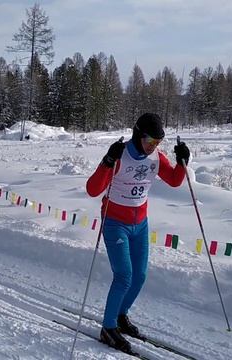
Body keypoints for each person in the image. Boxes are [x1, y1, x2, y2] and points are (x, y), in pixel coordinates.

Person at [86, 113, 190, 354]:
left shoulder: (155, 157)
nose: (152, 147)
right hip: (115, 221)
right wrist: (107, 161)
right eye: (149, 141)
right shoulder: (121, 155)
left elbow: (174, 181)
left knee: (140, 276)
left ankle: (120, 315)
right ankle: (108, 328)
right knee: (124, 275)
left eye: (157, 142)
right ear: (137, 135)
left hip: (140, 222)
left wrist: (183, 162)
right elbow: (93, 190)